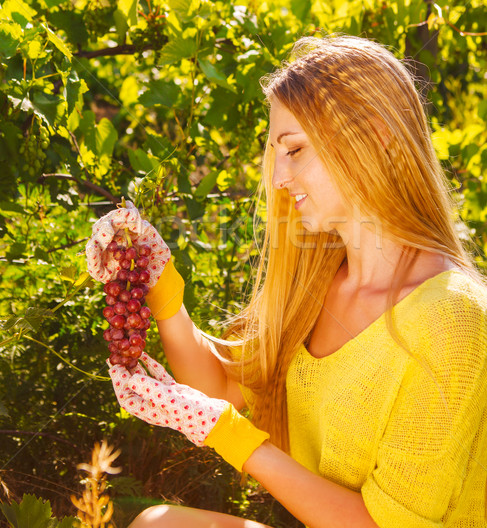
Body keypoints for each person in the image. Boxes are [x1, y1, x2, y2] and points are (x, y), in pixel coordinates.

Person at [86, 35, 487, 528]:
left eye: (294, 149)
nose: (278, 177)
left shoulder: (453, 319)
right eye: (276, 152)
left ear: (377, 135)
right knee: (158, 524)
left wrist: (226, 433)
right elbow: (224, 388)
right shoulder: (320, 281)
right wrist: (159, 282)